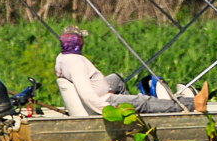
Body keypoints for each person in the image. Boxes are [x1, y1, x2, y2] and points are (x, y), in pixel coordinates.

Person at [54, 28, 207, 116]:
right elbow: (87, 95)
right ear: (77, 42)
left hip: (99, 93)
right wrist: (108, 110)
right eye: (81, 39)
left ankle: (135, 107)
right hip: (103, 101)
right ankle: (194, 103)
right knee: (143, 101)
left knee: (116, 79)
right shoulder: (77, 64)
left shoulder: (62, 58)